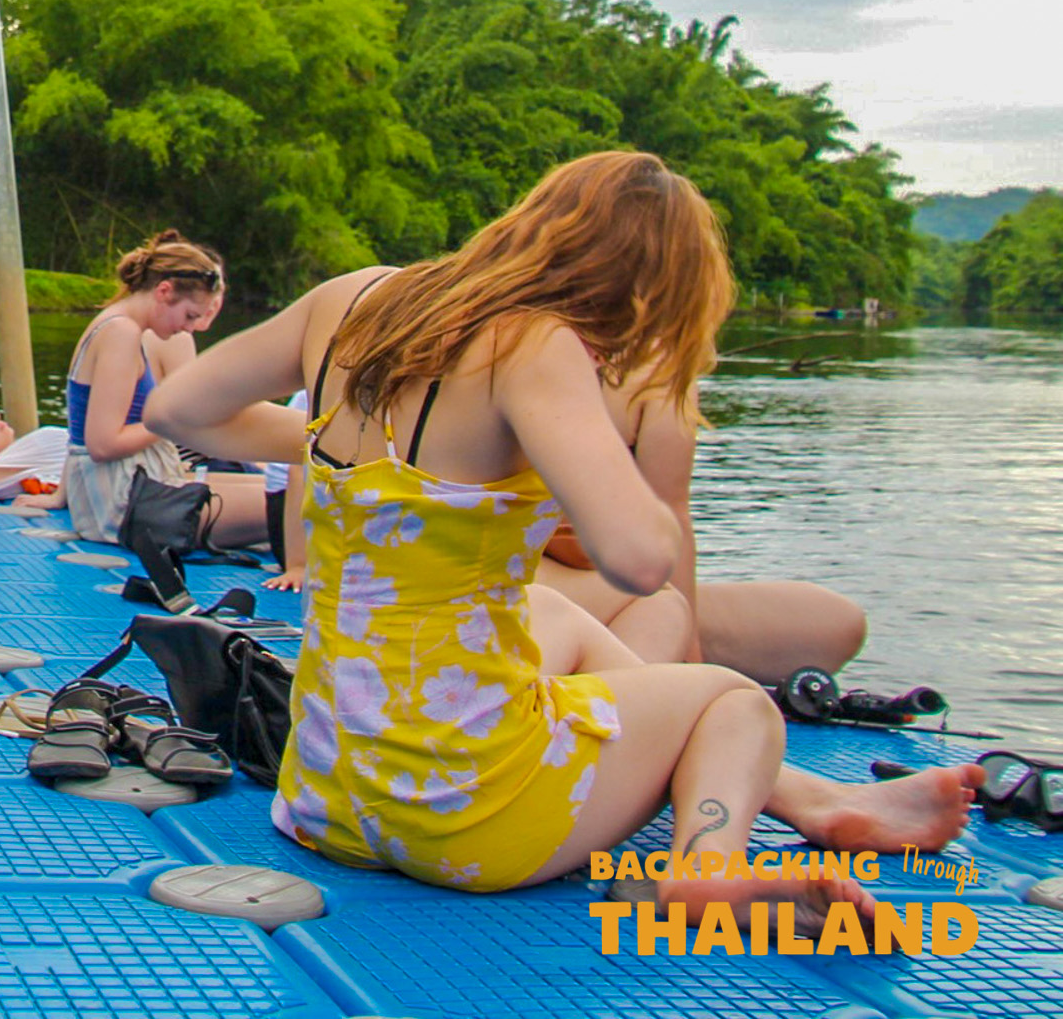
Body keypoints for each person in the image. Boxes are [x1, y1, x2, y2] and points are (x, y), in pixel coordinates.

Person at [144, 151, 976, 924]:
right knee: (732, 699)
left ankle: (813, 802)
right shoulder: (537, 344)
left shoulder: (351, 297)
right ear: (642, 291)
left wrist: (352, 457)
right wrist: (655, 414)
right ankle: (705, 866)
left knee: (562, 617)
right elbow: (641, 557)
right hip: (467, 819)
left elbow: (179, 412)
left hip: (330, 792)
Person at [534, 375, 870, 683]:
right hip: (522, 579)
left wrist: (689, 654)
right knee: (656, 609)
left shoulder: (662, 361)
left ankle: (629, 659)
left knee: (835, 624)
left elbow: (669, 513)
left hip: (603, 591)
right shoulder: (529, 340)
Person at [61, 232, 273, 548]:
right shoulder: (121, 332)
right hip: (120, 504)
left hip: (134, 488)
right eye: (189, 315)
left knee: (277, 487)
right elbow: (101, 445)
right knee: (290, 504)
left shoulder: (123, 327)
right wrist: (168, 421)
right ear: (164, 291)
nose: (188, 328)